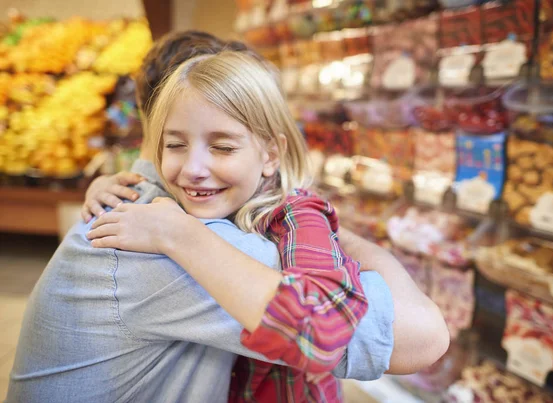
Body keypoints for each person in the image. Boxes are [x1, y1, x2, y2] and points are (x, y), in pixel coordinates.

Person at [6, 31, 448, 403]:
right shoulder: (161, 235)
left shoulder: (165, 215)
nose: (194, 167)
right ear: (156, 136)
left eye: (222, 145)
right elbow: (421, 337)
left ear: (270, 151)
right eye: (176, 144)